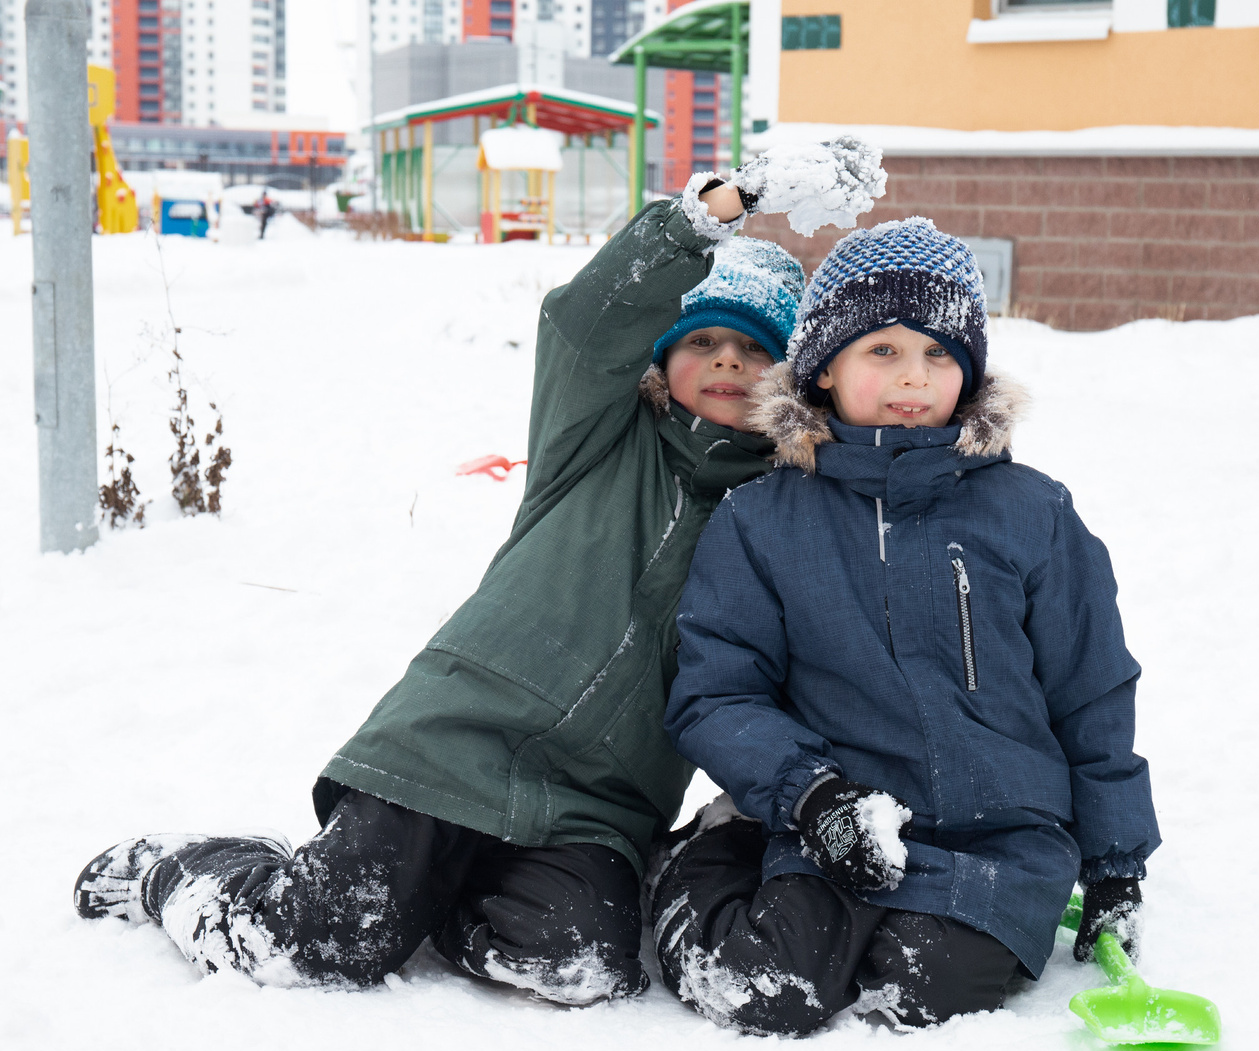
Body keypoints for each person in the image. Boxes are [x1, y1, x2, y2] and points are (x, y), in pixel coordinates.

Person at [71, 143, 886, 1006]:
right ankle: (179, 870)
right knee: (317, 943)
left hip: (601, 800)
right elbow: (585, 321)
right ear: (663, 355)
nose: (727, 362)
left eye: (756, 348)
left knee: (580, 963)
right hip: (457, 737)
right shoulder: (595, 438)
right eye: (704, 340)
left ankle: (435, 900)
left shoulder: (781, 511)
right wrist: (715, 209)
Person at [647, 217, 1160, 1037]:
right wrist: (812, 797)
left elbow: (1091, 687)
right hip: (839, 820)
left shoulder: (1032, 512)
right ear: (824, 368)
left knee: (924, 988)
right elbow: (718, 692)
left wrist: (1113, 863)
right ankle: (696, 869)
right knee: (764, 989)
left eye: (938, 353)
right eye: (881, 351)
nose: (913, 378)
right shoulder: (763, 518)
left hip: (1000, 840)